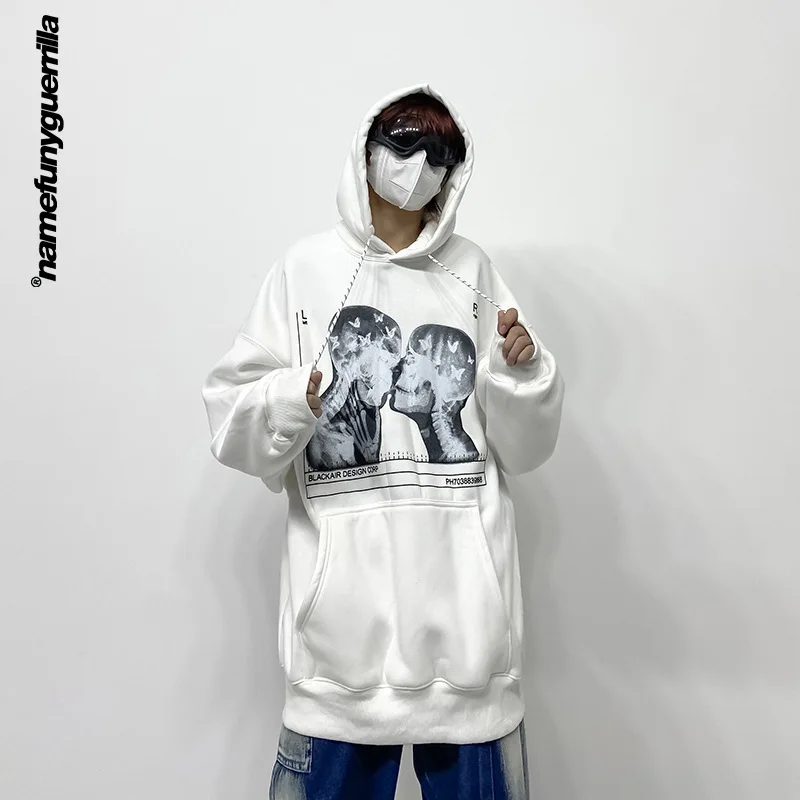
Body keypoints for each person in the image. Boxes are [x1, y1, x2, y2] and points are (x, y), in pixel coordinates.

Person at [201, 82, 565, 799]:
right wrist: (294, 397)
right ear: (366, 151)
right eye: (404, 144)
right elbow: (232, 426)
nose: (419, 165)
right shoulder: (303, 271)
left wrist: (522, 375)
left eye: (440, 154)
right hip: (337, 662)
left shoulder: (473, 272)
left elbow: (525, 449)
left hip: (468, 658)